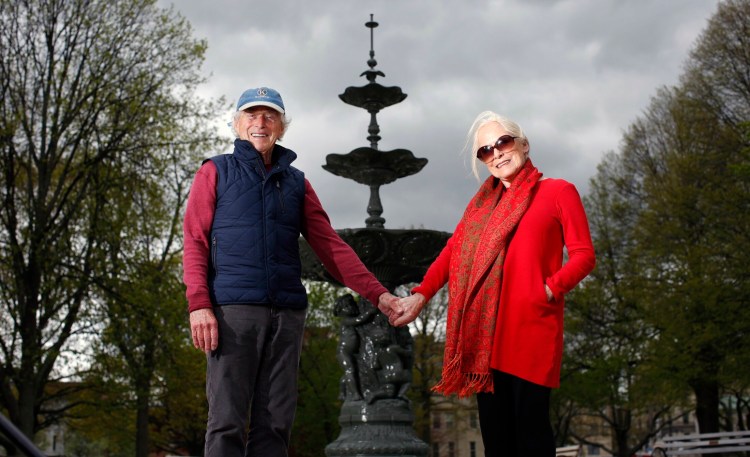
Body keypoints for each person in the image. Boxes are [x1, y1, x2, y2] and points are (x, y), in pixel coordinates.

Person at [182, 86, 399, 457]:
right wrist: (199, 304)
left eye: (270, 116)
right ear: (237, 124)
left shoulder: (296, 182)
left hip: (287, 315)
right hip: (233, 313)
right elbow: (195, 241)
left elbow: (331, 246)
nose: (260, 123)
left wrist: (380, 294)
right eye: (251, 115)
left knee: (276, 424)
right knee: (227, 420)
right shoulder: (214, 171)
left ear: (282, 126)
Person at [390, 111, 596, 457]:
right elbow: (452, 255)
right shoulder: (480, 210)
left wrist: (548, 289)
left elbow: (583, 255)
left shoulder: (558, 191)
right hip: (485, 340)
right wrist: (421, 295)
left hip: (532, 330)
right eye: (485, 150)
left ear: (524, 144)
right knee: (497, 442)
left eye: (503, 142)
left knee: (531, 434)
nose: (496, 152)